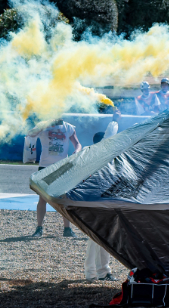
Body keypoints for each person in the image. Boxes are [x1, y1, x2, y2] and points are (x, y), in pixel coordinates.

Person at [28, 117, 82, 237]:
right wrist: (44, 125)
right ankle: (39, 228)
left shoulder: (68, 127)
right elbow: (30, 134)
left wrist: (77, 151)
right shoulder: (43, 124)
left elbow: (77, 144)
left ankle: (67, 229)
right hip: (45, 167)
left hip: (62, 167)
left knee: (64, 197)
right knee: (43, 198)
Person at [85, 110, 121, 282]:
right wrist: (114, 121)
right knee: (98, 238)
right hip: (98, 200)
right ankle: (97, 272)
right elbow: (109, 137)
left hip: (97, 199)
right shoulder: (97, 154)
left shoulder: (88, 154)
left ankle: (99, 271)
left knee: (99, 238)